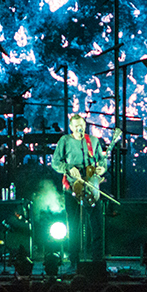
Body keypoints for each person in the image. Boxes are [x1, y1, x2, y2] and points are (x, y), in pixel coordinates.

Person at [50, 114, 110, 270]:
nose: (79, 128)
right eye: (76, 126)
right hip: (72, 187)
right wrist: (69, 168)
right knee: (73, 225)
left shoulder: (93, 141)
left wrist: (102, 168)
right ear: (71, 127)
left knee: (97, 224)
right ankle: (74, 261)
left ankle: (97, 260)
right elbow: (55, 163)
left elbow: (102, 160)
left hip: (90, 187)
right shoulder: (65, 141)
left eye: (81, 125)